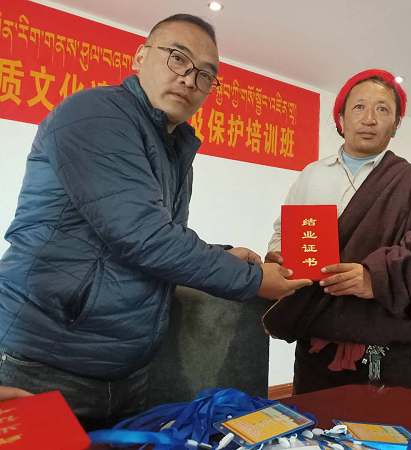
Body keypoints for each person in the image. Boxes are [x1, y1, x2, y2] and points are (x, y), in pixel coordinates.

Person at [0, 14, 311, 429]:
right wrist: (254, 280)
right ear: (140, 57)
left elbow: (154, 233)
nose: (189, 79)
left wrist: (222, 255)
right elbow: (143, 236)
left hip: (124, 370)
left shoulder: (173, 146)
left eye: (205, 75)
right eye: (178, 58)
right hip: (43, 362)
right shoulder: (96, 114)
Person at [263, 69, 411, 394]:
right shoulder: (312, 175)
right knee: (312, 424)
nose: (370, 118)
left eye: (383, 109)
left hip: (387, 354)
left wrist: (377, 278)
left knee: (387, 427)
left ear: (396, 125)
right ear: (341, 118)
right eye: (359, 107)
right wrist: (280, 257)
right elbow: (283, 232)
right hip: (316, 347)